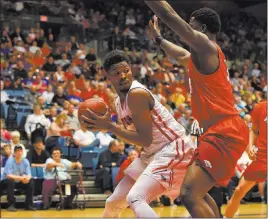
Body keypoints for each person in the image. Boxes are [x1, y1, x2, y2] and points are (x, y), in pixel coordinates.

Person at [145, 3, 250, 217]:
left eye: (192, 26)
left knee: (190, 194)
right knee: (198, 194)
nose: (189, 30)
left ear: (201, 30)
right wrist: (158, 39)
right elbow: (181, 55)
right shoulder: (199, 58)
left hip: (224, 131)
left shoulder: (207, 46)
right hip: (217, 131)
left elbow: (168, 14)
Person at [81, 50, 194, 217]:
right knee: (112, 202)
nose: (123, 76)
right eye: (117, 73)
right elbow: (141, 139)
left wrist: (110, 127)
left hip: (172, 148)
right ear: (108, 76)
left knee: (136, 197)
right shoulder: (118, 102)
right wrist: (106, 126)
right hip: (151, 152)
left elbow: (145, 139)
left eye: (126, 70)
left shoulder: (136, 94)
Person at [224, 101, 267, 217]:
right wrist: (250, 147)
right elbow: (253, 130)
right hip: (262, 156)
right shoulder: (260, 107)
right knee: (238, 191)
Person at [1, 145, 35, 212]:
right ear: (14, 153)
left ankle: (28, 205)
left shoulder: (25, 161)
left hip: (19, 181)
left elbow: (29, 174)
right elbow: (8, 175)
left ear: (22, 152)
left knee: (31, 181)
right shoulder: (10, 161)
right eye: (17, 151)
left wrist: (27, 179)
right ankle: (10, 205)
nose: (19, 153)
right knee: (10, 181)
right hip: (5, 182)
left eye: (20, 151)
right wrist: (22, 178)